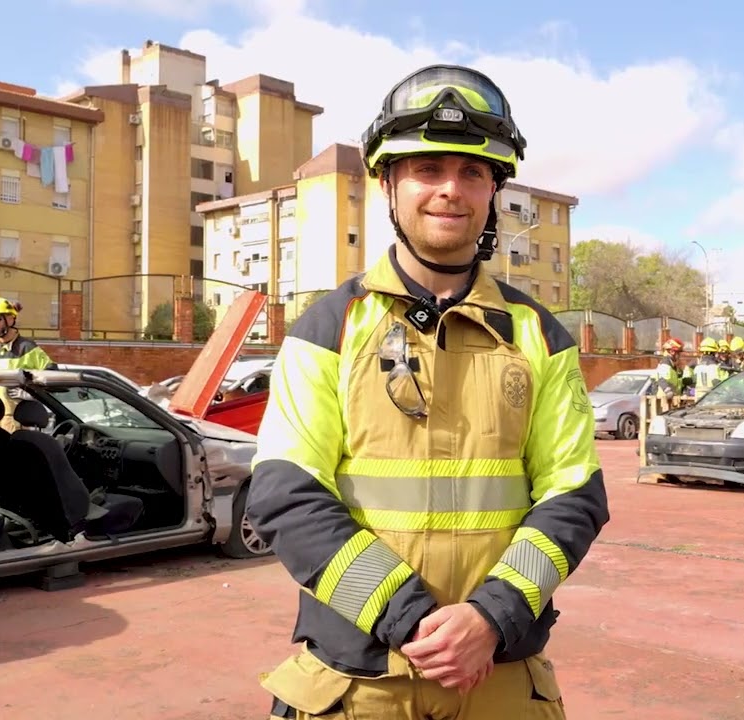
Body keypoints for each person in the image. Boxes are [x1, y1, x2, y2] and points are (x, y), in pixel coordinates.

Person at [246, 63, 609, 720]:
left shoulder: (539, 336)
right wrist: (410, 620)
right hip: (358, 686)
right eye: (428, 168)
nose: (451, 189)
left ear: (494, 190)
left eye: (472, 172)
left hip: (499, 679)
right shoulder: (327, 329)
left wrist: (491, 617)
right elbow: (285, 495)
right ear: (387, 182)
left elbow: (574, 496)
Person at [0, 297, 55, 430]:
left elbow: (52, 375)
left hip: (15, 420)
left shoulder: (27, 348)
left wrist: (31, 394)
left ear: (10, 319)